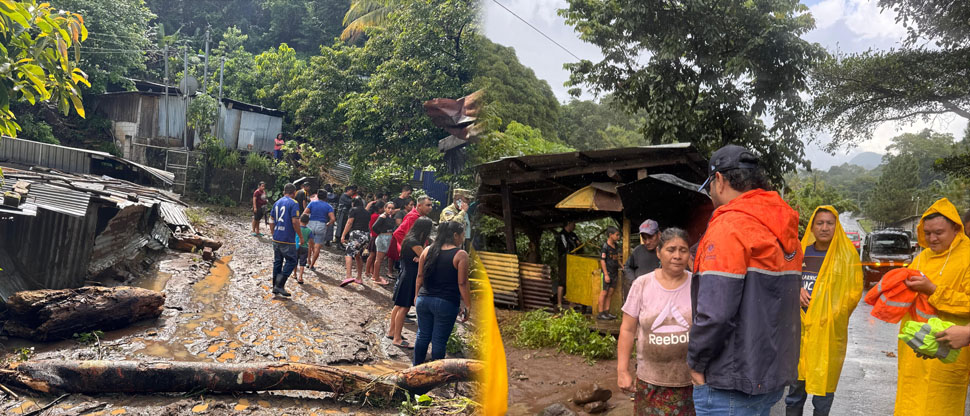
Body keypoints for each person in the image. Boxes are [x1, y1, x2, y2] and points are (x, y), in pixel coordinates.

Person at [688, 144, 802, 415]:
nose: (711, 194)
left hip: (730, 383)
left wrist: (695, 362)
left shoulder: (729, 227)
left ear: (719, 180)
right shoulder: (785, 230)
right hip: (770, 377)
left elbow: (715, 314)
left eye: (710, 186)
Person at [893, 198, 970, 416]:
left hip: (948, 351)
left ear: (956, 228)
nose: (932, 238)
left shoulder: (967, 257)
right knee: (909, 406)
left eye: (938, 232)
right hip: (917, 348)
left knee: (940, 407)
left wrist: (934, 291)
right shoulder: (922, 257)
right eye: (927, 233)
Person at [785, 206, 863, 416]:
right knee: (795, 389)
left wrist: (832, 313)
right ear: (812, 226)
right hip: (800, 331)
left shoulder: (847, 256)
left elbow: (854, 292)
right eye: (820, 223)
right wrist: (796, 290)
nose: (825, 228)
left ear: (837, 226)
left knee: (823, 394)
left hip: (828, 332)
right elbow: (787, 281)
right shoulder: (801, 253)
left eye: (830, 223)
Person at [617, 228, 694, 415]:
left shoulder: (698, 284)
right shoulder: (642, 284)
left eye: (683, 250)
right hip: (650, 381)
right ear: (659, 253)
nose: (677, 256)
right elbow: (627, 329)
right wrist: (622, 371)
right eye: (671, 249)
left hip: (690, 381)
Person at [413, 221, 471, 365]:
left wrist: (416, 296)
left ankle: (415, 368)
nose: (463, 238)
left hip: (423, 299)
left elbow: (419, 276)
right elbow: (462, 283)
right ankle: (435, 373)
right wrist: (468, 305)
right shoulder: (460, 255)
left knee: (422, 335)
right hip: (446, 303)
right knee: (439, 340)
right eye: (462, 234)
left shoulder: (427, 250)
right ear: (455, 235)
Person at [387, 217, 433, 349]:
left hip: (405, 275)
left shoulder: (409, 239)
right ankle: (397, 338)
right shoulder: (415, 242)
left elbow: (422, 256)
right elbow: (429, 258)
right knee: (404, 307)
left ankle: (392, 332)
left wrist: (420, 258)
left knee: (398, 306)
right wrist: (422, 258)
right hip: (410, 277)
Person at [270, 183, 303, 297]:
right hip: (287, 238)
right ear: (294, 192)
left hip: (277, 237)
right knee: (292, 261)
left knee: (277, 262)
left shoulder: (277, 202)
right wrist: (300, 236)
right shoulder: (294, 203)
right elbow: (295, 221)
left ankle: (275, 286)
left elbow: (271, 220)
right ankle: (280, 284)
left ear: (284, 191)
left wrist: (273, 233)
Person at [622, 219, 661, 302]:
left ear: (659, 234)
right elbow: (627, 267)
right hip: (641, 296)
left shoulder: (666, 251)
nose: (647, 242)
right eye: (644, 238)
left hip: (659, 297)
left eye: (650, 237)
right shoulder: (638, 251)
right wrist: (633, 281)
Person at [389, 196, 434, 267]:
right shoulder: (412, 217)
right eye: (428, 205)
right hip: (411, 254)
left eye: (431, 205)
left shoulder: (420, 216)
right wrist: (409, 248)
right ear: (419, 206)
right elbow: (398, 233)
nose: (430, 208)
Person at [339, 198, 372, 286]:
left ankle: (348, 276)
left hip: (357, 234)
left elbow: (349, 222)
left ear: (353, 203)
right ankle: (359, 278)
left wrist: (343, 235)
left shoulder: (353, 210)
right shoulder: (367, 212)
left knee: (348, 254)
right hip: (366, 236)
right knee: (358, 255)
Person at [303, 190, 335, 271]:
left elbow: (305, 213)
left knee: (310, 245)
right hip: (321, 225)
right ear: (326, 197)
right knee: (317, 247)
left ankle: (308, 261)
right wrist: (328, 224)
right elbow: (333, 219)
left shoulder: (312, 203)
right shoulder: (328, 206)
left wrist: (305, 223)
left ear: (317, 196)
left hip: (311, 224)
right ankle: (312, 265)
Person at [555, 222, 581, 309]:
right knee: (562, 281)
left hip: (574, 260)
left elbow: (579, 244)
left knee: (573, 281)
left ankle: (572, 303)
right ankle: (559, 304)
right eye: (573, 224)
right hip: (564, 259)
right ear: (569, 224)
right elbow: (565, 248)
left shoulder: (573, 234)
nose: (575, 226)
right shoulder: (562, 235)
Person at [597, 226, 622, 320]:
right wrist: (606, 274)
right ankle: (600, 313)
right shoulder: (605, 246)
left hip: (614, 272)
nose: (618, 237)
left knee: (610, 293)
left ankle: (606, 312)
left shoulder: (616, 246)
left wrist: (622, 266)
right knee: (604, 292)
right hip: (607, 272)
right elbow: (602, 260)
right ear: (611, 235)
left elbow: (617, 258)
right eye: (617, 235)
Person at [371, 201, 396, 284]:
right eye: (389, 208)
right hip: (382, 238)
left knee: (380, 259)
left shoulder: (390, 217)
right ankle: (375, 277)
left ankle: (376, 275)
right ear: (385, 208)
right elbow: (374, 227)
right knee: (379, 259)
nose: (390, 210)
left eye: (392, 208)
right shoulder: (383, 216)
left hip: (387, 238)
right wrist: (380, 233)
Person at [364, 201, 389, 285]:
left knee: (373, 256)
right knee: (372, 256)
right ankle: (367, 271)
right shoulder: (377, 216)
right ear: (380, 208)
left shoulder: (372, 215)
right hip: (375, 237)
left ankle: (370, 271)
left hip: (373, 236)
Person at [296, 214, 313, 285]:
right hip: (305, 248)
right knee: (302, 263)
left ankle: (294, 274)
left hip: (296, 246)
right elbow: (311, 241)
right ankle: (300, 277)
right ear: (308, 222)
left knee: (295, 261)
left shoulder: (296, 229)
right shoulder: (309, 231)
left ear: (299, 220)